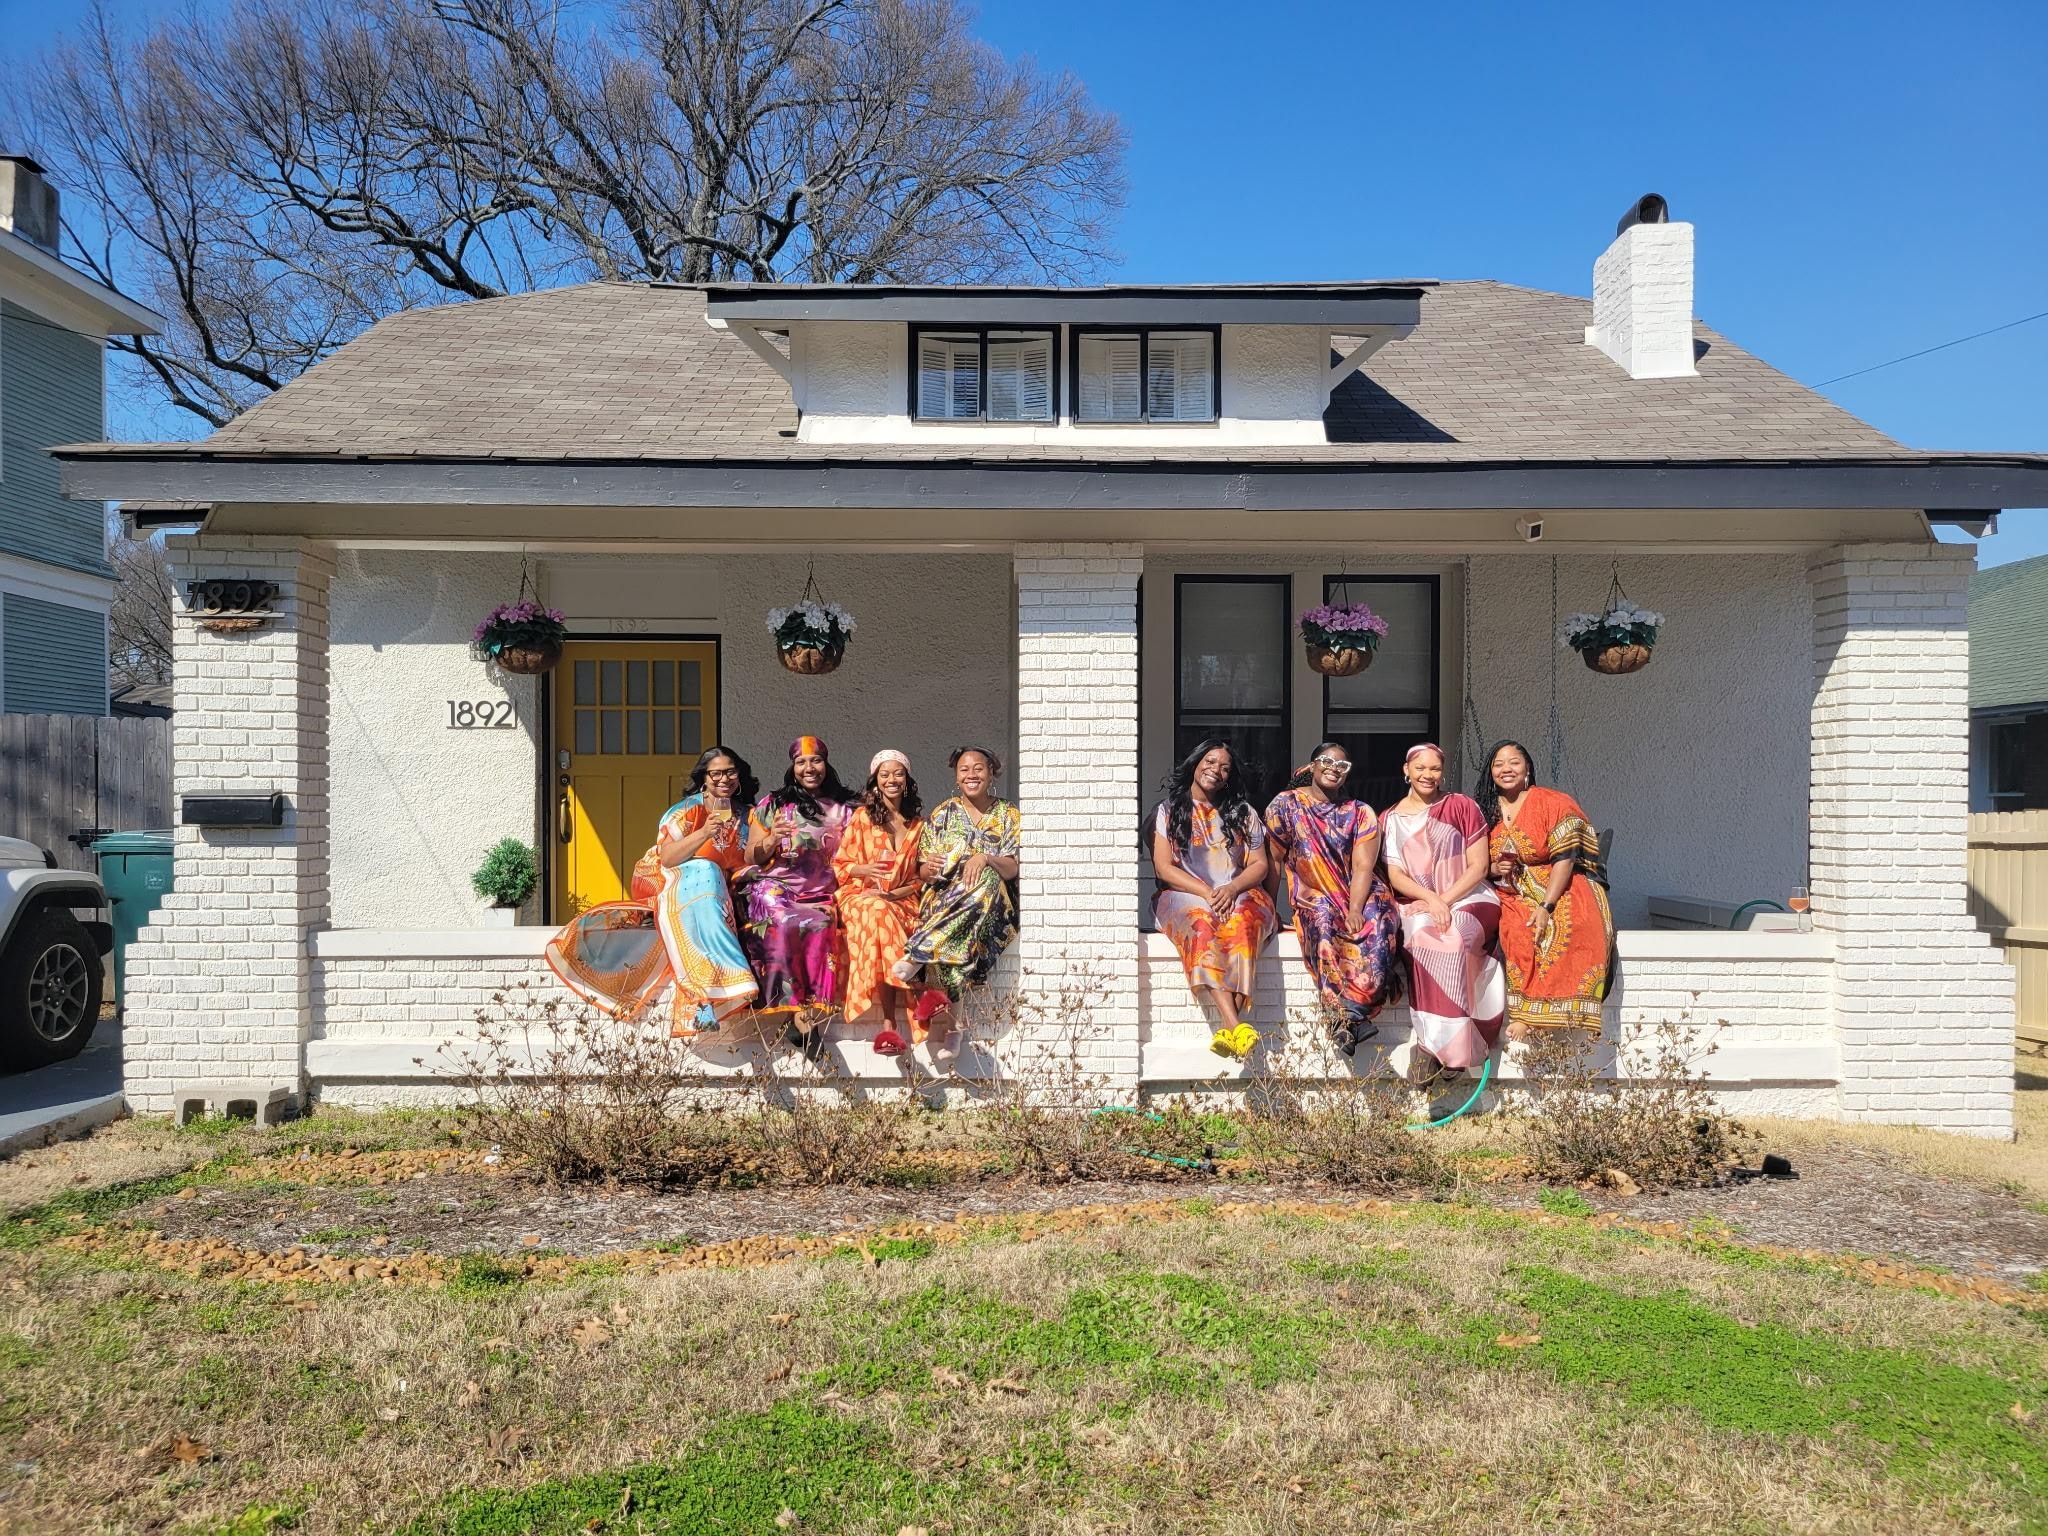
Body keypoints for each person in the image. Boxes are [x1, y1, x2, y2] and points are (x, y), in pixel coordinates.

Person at [545, 746, 761, 1032]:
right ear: (704, 778)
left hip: (717, 886)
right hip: (666, 876)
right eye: (716, 773)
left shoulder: (749, 815)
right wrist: (704, 833)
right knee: (705, 870)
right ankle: (708, 994)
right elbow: (668, 857)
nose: (725, 779)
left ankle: (718, 989)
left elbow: (753, 856)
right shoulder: (687, 810)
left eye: (730, 772)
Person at [1262, 741, 1402, 1057]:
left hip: (1359, 892)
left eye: (1342, 765)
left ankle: (1350, 1015)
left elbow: (1364, 866)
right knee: (1323, 924)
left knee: (1380, 920)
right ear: (1312, 766)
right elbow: (1273, 860)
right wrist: (1270, 910)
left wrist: (1355, 909)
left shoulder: (1360, 812)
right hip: (1315, 895)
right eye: (1326, 761)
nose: (1333, 768)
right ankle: (1349, 1016)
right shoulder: (1285, 805)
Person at [1380, 743, 1504, 1078]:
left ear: (1443, 772)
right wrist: (1431, 900)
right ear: (1406, 770)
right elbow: (1395, 875)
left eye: (1434, 768)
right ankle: (1436, 1045)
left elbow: (1479, 867)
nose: (1427, 775)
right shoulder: (1389, 819)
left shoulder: (1461, 806)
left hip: (1470, 896)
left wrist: (1445, 899)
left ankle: (1446, 1050)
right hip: (1417, 900)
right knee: (1421, 937)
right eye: (1420, 768)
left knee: (1454, 938)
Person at [1476, 739, 1614, 1038]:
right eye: (1498, 764)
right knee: (1517, 930)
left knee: (1572, 922)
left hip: (1559, 883)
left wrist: (1546, 905)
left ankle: (1551, 1012)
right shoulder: (1483, 811)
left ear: (1527, 767)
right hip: (1508, 891)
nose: (1506, 769)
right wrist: (1494, 868)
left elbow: (1566, 858)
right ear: (1490, 772)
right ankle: (1527, 1012)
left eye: (1514, 762)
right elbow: (1473, 862)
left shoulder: (1554, 802)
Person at [1149, 739, 1277, 1061]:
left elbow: (1259, 865)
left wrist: (1232, 889)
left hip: (1238, 890)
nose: (1216, 771)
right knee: (1202, 923)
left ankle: (1228, 1030)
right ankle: (1235, 1024)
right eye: (1209, 762)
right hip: (1183, 894)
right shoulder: (1169, 811)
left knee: (1244, 923)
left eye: (1225, 768)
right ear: (1195, 763)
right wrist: (1207, 893)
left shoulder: (1242, 812)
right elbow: (1164, 868)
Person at [891, 746, 1019, 1043]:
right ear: (956, 777)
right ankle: (954, 1027)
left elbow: (1012, 868)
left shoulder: (1008, 813)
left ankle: (920, 951)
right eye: (964, 769)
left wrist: (985, 858)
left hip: (992, 903)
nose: (971, 775)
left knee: (986, 877)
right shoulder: (943, 814)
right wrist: (930, 869)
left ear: (991, 773)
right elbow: (923, 871)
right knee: (956, 934)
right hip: (945, 900)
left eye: (978, 768)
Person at [742, 736, 855, 1057]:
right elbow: (751, 855)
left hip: (821, 890)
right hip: (775, 885)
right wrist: (772, 839)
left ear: (826, 764)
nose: (809, 768)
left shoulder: (845, 810)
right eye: (801, 762)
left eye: (816, 760)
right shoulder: (773, 805)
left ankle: (805, 1015)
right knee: (780, 918)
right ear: (792, 767)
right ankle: (800, 1017)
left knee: (821, 923)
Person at [831, 750, 926, 1057]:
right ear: (875, 781)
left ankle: (889, 1026)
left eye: (898, 773)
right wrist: (865, 869)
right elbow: (840, 865)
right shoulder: (863, 817)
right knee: (879, 912)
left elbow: (919, 879)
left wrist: (893, 895)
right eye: (884, 774)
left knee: (885, 918)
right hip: (859, 895)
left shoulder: (918, 826)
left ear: (907, 780)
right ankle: (916, 999)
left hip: (901, 899)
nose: (891, 780)